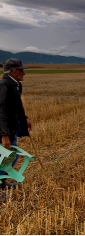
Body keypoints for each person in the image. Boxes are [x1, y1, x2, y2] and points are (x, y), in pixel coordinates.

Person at [0, 58, 32, 190]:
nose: (23, 73)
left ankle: (1, 181)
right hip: (4, 128)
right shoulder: (4, 86)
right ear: (12, 71)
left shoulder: (15, 85)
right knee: (5, 157)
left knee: (10, 156)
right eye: (21, 70)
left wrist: (24, 118)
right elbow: (1, 111)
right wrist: (4, 135)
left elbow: (15, 107)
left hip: (11, 126)